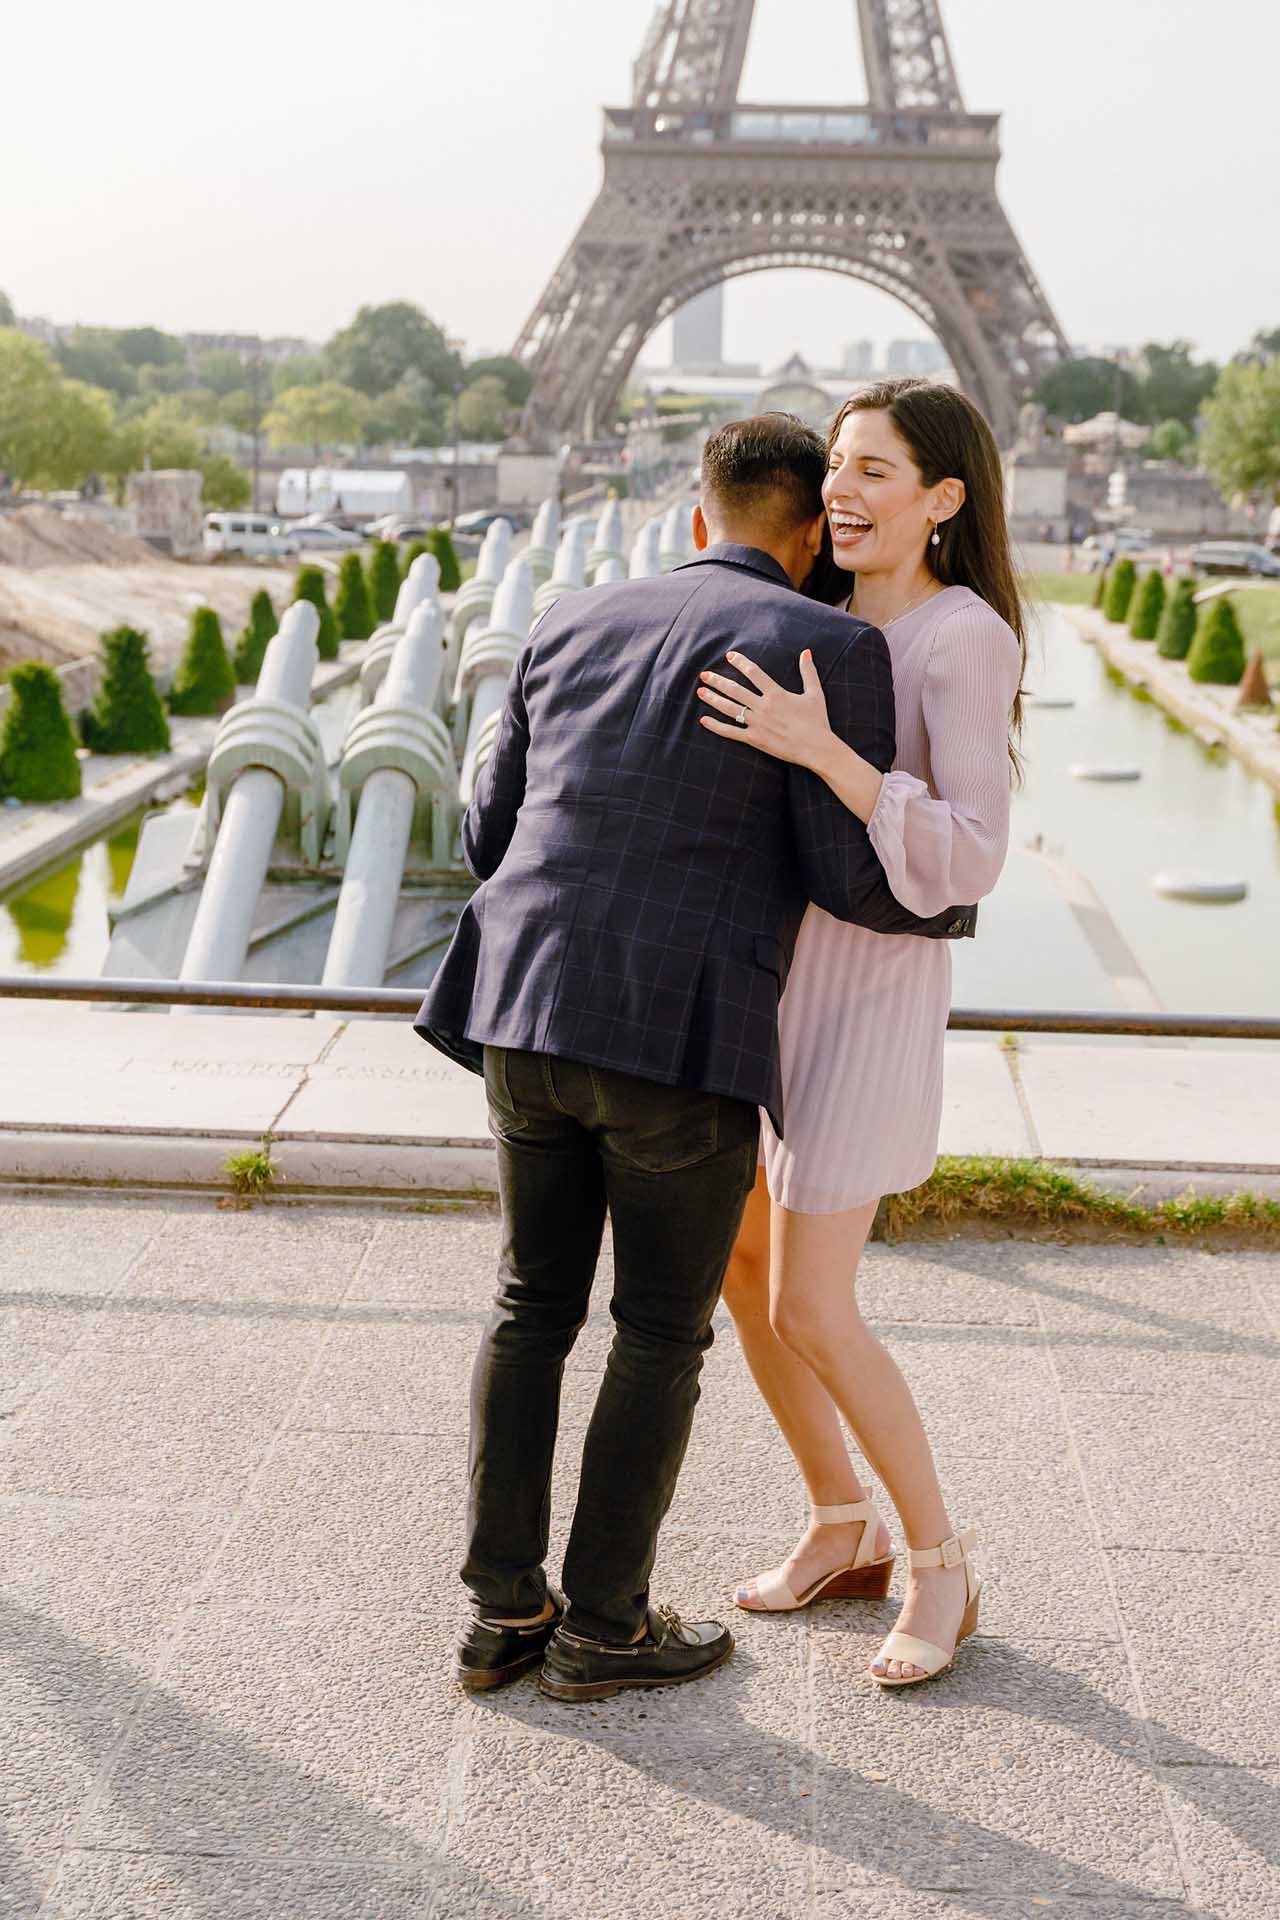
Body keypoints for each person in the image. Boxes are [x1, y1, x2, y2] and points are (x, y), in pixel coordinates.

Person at [414, 415, 973, 1703]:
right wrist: (951, 905)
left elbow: (486, 823)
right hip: (678, 1035)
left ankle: (502, 1616)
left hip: (524, 1010)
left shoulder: (567, 614)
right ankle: (606, 1626)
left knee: (528, 1307)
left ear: (695, 517)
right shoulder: (825, 645)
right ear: (809, 539)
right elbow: (849, 874)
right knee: (658, 1331)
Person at [696, 379, 1024, 1688]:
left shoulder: (961, 637)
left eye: (877, 469)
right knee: (742, 1271)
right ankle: (842, 1526)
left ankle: (940, 1564)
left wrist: (825, 753)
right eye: (838, 465)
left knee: (814, 1305)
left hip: (870, 992)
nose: (844, 489)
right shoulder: (815, 623)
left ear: (943, 499)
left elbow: (977, 854)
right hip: (775, 977)